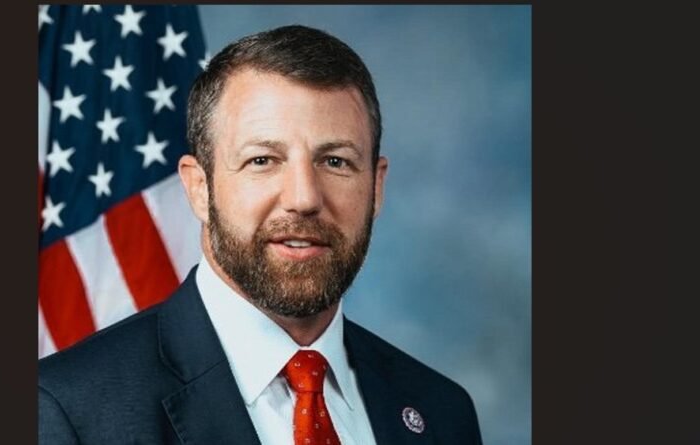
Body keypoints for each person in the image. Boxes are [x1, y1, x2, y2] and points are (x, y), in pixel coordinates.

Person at [39, 25, 483, 445]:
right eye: (263, 161)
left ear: (376, 187)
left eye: (335, 162)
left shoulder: (442, 411)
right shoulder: (68, 411)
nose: (303, 198)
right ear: (199, 187)